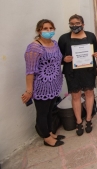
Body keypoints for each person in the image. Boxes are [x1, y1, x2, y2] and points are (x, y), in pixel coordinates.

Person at [22, 19, 64, 147]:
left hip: (54, 84)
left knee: (51, 110)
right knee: (42, 113)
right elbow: (30, 71)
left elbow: (57, 61)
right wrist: (29, 90)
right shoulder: (34, 47)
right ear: (39, 30)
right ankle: (46, 138)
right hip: (41, 86)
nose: (49, 31)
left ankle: (50, 132)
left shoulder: (55, 44)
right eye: (45, 28)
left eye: (51, 28)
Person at [58, 14, 97, 135]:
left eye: (77, 23)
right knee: (75, 96)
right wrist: (64, 59)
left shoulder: (91, 36)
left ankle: (88, 119)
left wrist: (96, 54)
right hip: (72, 72)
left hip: (88, 70)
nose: (74, 25)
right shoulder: (64, 38)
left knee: (89, 93)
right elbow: (58, 57)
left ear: (83, 24)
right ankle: (78, 121)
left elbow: (96, 50)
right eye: (72, 23)